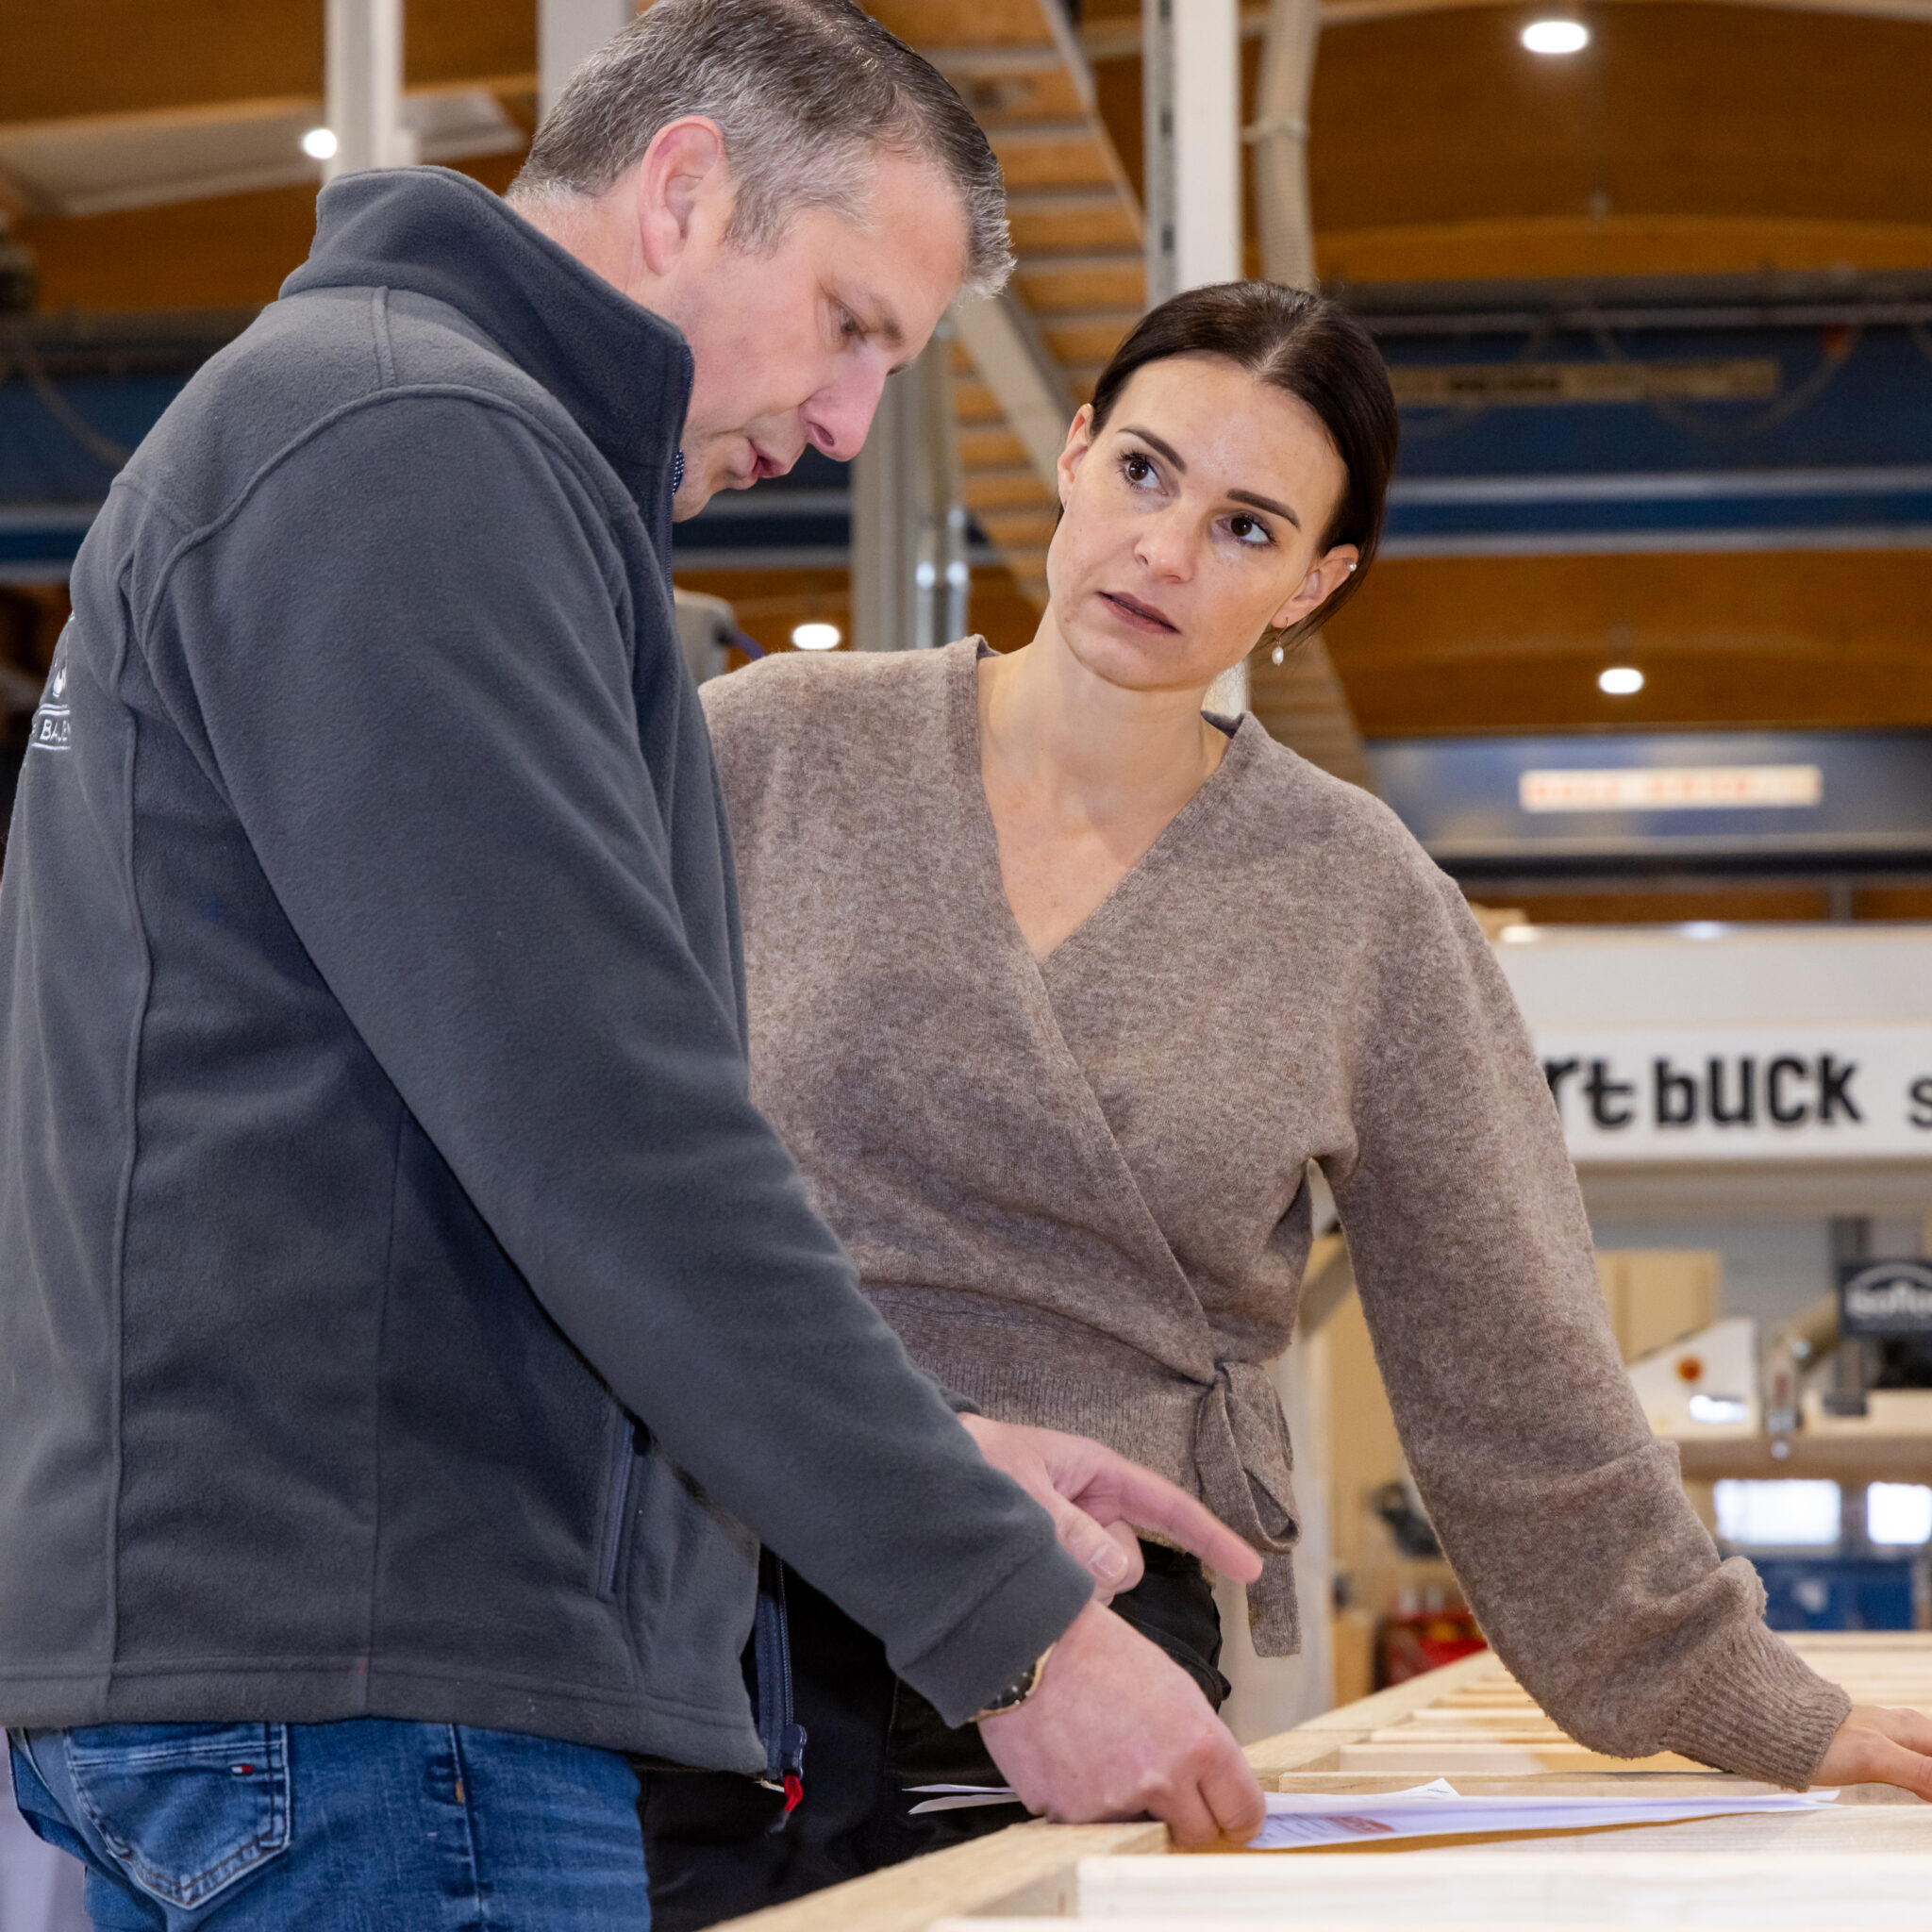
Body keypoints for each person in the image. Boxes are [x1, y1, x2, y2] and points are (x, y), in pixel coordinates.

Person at [0, 7, 1274, 1926]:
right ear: (683, 191)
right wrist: (1012, 1631)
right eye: (849, 322)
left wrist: (926, 1456)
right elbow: (600, 1130)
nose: (851, 422)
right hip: (378, 1705)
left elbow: (425, 1161)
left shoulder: (385, 435)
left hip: (311, 1683)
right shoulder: (416, 446)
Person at [643, 277, 1932, 1925]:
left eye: (1249, 526)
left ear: (1315, 586)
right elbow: (571, 1151)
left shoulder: (1357, 902)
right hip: (710, 1595)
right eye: (1147, 474)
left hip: (1093, 1631)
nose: (1167, 552)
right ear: (1079, 452)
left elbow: (1509, 1358)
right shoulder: (765, 754)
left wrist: (1750, 1702)